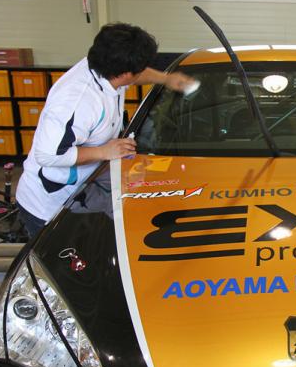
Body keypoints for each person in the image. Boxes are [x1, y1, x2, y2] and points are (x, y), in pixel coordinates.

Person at [16, 22, 195, 239]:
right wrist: (104, 151)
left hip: (86, 186)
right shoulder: (76, 102)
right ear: (126, 73)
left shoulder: (105, 65)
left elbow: (134, 73)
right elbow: (47, 155)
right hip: (51, 206)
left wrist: (166, 79)